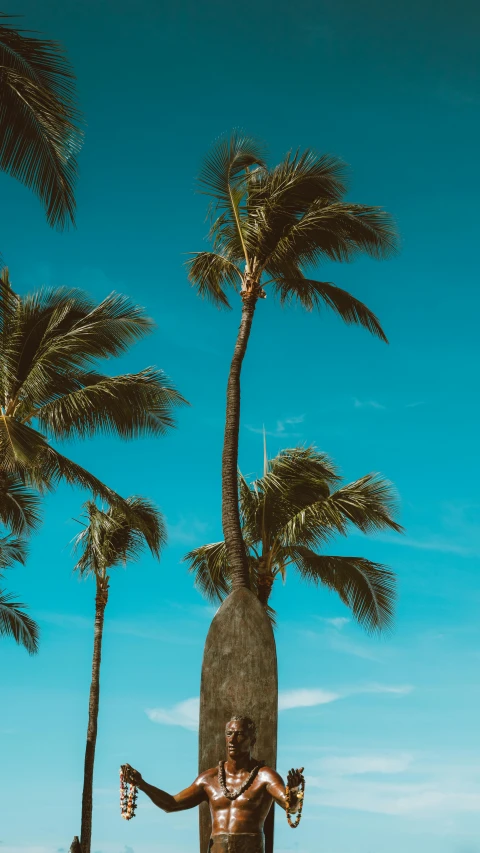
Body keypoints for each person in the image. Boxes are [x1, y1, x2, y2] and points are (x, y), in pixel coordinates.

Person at [122, 714, 304, 853]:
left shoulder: (265, 776)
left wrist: (294, 790)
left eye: (240, 735)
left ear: (252, 741)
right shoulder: (209, 779)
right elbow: (171, 804)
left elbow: (291, 807)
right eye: (229, 734)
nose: (233, 740)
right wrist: (142, 784)